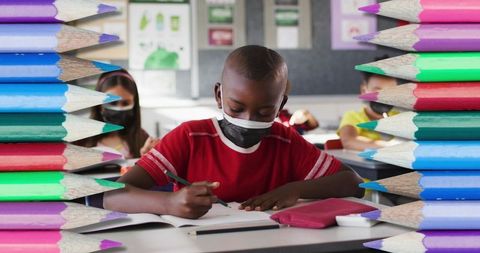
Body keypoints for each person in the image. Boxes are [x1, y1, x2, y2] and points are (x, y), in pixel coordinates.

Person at [103, 45, 364, 219]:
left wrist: (295, 189)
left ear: (281, 105)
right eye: (236, 108)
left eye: (264, 113)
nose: (247, 121)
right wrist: (170, 204)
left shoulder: (285, 140)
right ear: (219, 95)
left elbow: (353, 183)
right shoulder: (190, 138)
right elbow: (112, 195)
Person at [76, 70, 157, 159]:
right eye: (112, 103)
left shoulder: (142, 139)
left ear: (134, 105)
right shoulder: (80, 138)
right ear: (99, 104)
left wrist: (148, 160)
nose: (119, 108)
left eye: (126, 103)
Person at [337, 56, 398, 151]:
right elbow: (348, 141)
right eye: (377, 91)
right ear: (364, 90)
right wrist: (390, 147)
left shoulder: (400, 117)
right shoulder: (354, 117)